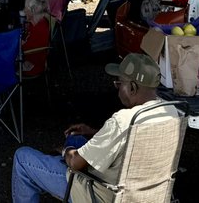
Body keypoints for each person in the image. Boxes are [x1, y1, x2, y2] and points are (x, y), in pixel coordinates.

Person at [11, 52, 171, 203]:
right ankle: (45, 176)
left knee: (22, 158)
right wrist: (93, 132)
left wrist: (66, 151)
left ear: (132, 88)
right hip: (145, 191)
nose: (117, 90)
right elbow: (127, 140)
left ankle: (42, 176)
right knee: (77, 139)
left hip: (101, 193)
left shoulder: (122, 121)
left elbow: (75, 162)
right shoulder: (171, 113)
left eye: (119, 83)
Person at [21, 0, 52, 76]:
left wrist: (18, 43)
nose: (24, 10)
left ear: (33, 10)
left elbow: (29, 47)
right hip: (34, 59)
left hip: (32, 65)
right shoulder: (39, 21)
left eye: (26, 8)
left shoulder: (38, 27)